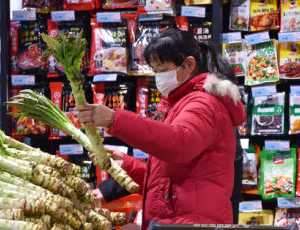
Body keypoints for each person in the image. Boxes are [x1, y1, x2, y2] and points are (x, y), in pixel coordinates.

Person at [76, 29, 246, 228]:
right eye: (155, 71)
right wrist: (127, 165)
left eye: (162, 70)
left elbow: (179, 144)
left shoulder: (203, 104)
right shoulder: (180, 103)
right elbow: (168, 179)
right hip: (177, 220)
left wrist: (115, 119)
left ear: (189, 64)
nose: (158, 78)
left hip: (189, 223)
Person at [94, 127, 243, 224]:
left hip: (193, 222)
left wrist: (113, 120)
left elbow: (174, 175)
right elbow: (161, 174)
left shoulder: (204, 117)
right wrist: (124, 167)